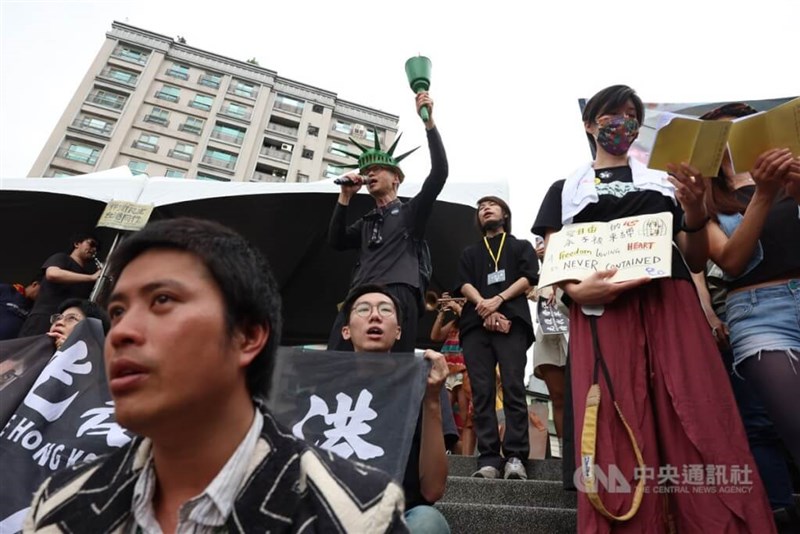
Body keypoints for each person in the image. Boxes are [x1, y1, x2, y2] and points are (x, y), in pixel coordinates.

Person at [25, 218, 408, 533]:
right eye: (120, 310)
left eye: (162, 301)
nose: (121, 331)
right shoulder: (57, 506)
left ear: (247, 336)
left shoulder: (357, 514)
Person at [531, 85, 775, 532]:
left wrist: (696, 212)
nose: (621, 121)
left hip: (671, 302)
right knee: (613, 421)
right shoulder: (565, 189)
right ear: (589, 124)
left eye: (630, 114)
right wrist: (575, 291)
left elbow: (696, 256)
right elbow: (552, 256)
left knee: (697, 409)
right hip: (603, 316)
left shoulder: (664, 180)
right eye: (611, 114)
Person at [700, 103, 800, 528]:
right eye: (723, 134)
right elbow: (731, 259)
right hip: (760, 315)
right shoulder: (704, 201)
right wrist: (762, 192)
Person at [328, 91, 448, 352]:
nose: (370, 175)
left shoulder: (410, 212)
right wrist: (345, 197)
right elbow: (335, 241)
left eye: (377, 170)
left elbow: (439, 174)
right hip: (360, 293)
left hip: (399, 293)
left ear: (396, 179)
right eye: (367, 172)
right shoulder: (367, 221)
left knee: (395, 369)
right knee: (337, 360)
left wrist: (429, 123)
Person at [341, 284, 451, 534]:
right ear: (346, 331)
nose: (375, 315)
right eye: (363, 309)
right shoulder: (322, 393)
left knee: (428, 522)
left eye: (385, 310)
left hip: (398, 517)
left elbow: (433, 490)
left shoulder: (425, 385)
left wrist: (432, 399)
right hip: (333, 516)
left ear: (399, 331)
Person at [456, 196, 538, 480]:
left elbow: (529, 276)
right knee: (482, 392)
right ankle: (489, 457)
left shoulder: (520, 246)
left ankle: (515, 456)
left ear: (504, 214)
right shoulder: (470, 252)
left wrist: (499, 300)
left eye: (491, 205)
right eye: (480, 207)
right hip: (475, 326)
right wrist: (484, 306)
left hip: (512, 322)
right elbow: (464, 283)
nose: (485, 209)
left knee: (514, 385)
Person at [17, 232, 101, 337]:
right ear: (77, 244)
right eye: (91, 244)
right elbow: (52, 274)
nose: (94, 250)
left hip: (66, 326)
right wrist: (91, 277)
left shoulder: (88, 276)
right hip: (43, 318)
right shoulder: (62, 258)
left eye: (97, 248)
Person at [430, 293, 475, 455]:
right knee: (444, 413)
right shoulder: (453, 324)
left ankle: (464, 453)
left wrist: (456, 306)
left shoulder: (471, 320)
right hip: (447, 371)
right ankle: (443, 448)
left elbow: (469, 317)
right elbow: (435, 336)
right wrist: (442, 312)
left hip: (463, 371)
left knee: (465, 415)